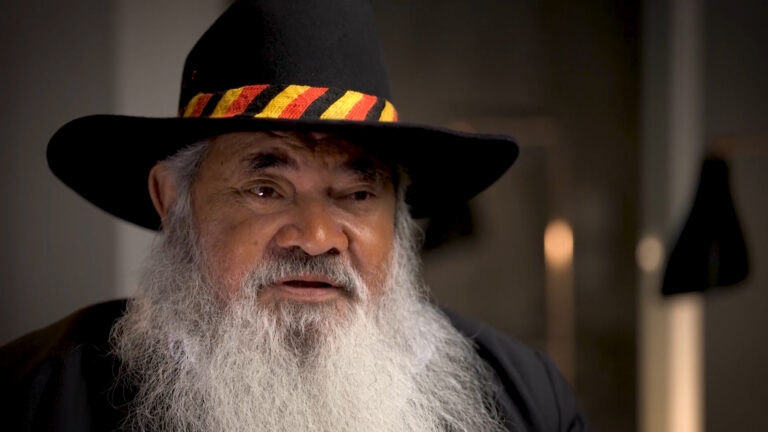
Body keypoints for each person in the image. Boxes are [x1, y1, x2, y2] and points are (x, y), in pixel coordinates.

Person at [0, 1, 590, 431]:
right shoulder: (34, 396)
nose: (317, 237)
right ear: (172, 199)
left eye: (357, 195)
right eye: (265, 189)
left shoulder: (526, 400)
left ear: (398, 215)